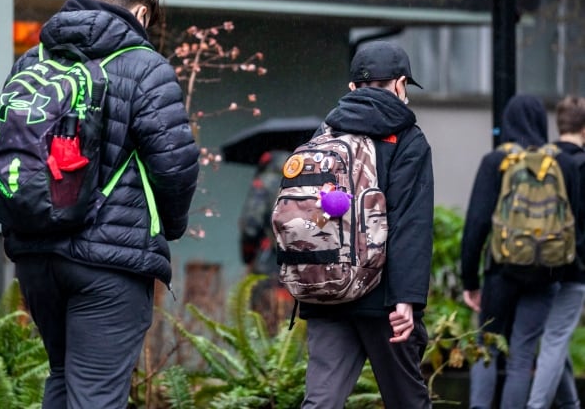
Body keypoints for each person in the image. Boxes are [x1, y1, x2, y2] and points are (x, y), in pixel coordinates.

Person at [0, 0, 200, 408]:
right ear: (140, 14)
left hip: (36, 257)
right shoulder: (145, 66)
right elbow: (176, 165)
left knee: (64, 381)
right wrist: (168, 227)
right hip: (109, 265)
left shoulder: (33, 59)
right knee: (96, 395)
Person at [299, 40, 434, 409]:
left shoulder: (324, 135)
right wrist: (406, 299)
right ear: (401, 84)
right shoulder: (408, 139)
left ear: (353, 88)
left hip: (328, 289)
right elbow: (411, 222)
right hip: (383, 297)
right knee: (407, 400)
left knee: (321, 401)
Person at [461, 95, 580, 409]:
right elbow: (574, 224)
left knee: (487, 346)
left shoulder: (496, 161)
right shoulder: (562, 163)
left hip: (501, 273)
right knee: (522, 353)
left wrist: (470, 281)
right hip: (546, 274)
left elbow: (476, 225)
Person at [526, 95, 585, 409]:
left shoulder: (542, 160)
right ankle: (536, 406)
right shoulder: (582, 164)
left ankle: (570, 404)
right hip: (574, 269)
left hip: (536, 264)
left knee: (551, 337)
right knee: (555, 339)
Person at [238, 149, 293, 330]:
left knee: (265, 323)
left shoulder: (263, 184)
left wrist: (247, 255)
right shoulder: (301, 182)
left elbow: (250, 225)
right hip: (298, 267)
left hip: (268, 262)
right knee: (291, 331)